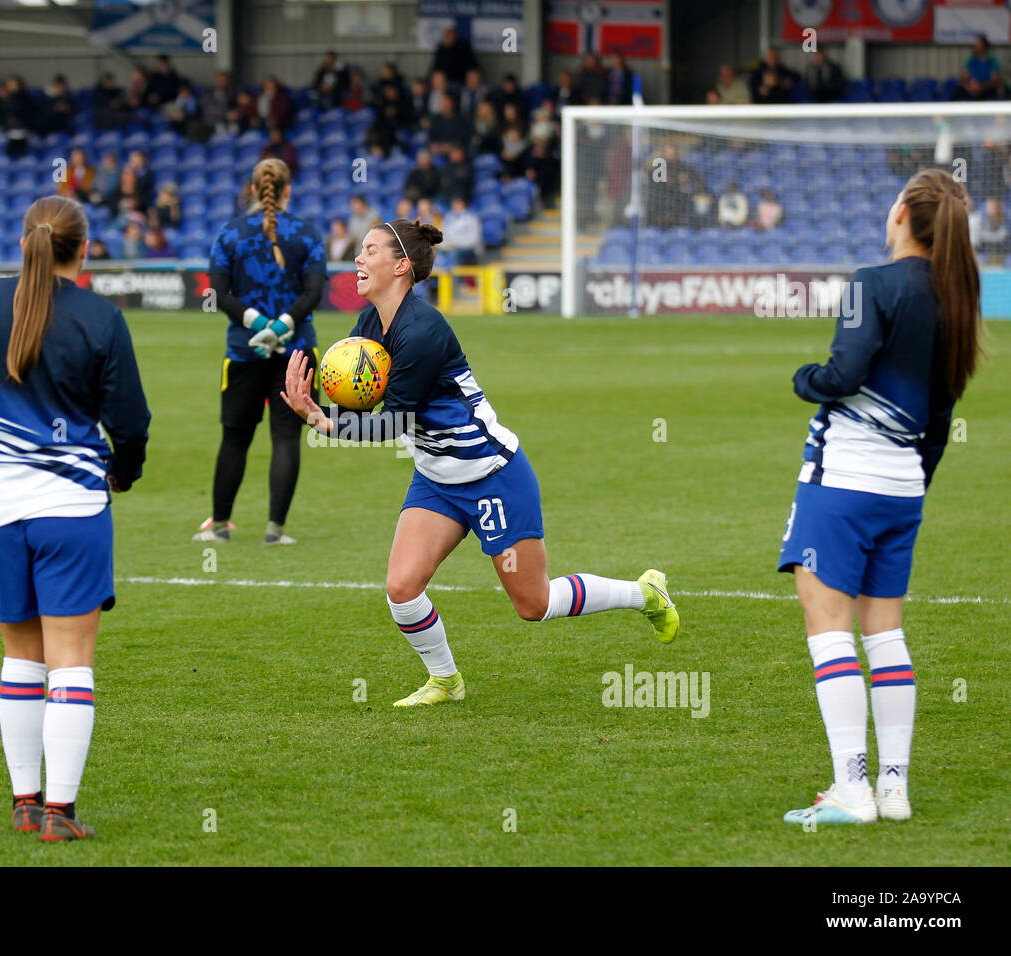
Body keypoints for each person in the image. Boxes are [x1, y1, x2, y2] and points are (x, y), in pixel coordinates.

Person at [280, 220, 680, 706]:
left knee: (534, 604)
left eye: (369, 251)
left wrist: (322, 422)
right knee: (402, 587)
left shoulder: (422, 330)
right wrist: (322, 404)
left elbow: (392, 423)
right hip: (436, 479)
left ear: (401, 266)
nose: (358, 260)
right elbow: (364, 401)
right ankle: (446, 681)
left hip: (492, 475)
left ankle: (644, 594)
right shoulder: (369, 324)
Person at [0, 195, 149, 842]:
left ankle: (25, 802)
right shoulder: (101, 317)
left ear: (26, 243)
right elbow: (130, 423)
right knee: (71, 660)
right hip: (70, 509)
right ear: (82, 250)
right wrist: (122, 473)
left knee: (20, 656)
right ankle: (60, 813)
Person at [778, 169, 984, 826]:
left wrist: (805, 379)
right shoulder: (955, 300)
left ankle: (851, 790)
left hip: (844, 478)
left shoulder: (873, 281)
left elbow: (843, 372)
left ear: (901, 214)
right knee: (885, 634)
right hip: (904, 488)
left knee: (830, 630)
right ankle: (894, 790)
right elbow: (942, 415)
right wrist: (914, 479)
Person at [193, 158, 326, 545]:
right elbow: (314, 292)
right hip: (297, 351)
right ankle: (275, 531)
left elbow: (217, 292)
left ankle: (219, 527)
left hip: (243, 352)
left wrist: (257, 324)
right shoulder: (308, 233)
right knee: (285, 438)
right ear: (287, 190)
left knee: (235, 438)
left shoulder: (230, 233)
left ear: (253, 189)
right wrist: (282, 326)